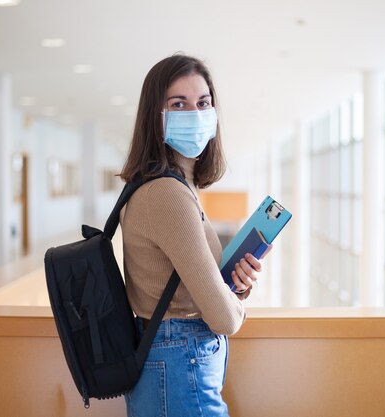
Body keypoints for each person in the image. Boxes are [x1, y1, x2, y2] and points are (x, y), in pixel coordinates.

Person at [119, 53, 270, 417]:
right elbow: (224, 319)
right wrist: (233, 304)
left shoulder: (170, 185)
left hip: (170, 359)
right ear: (156, 116)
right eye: (178, 104)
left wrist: (236, 284)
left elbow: (187, 280)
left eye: (203, 103)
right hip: (179, 360)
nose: (195, 113)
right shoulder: (167, 194)